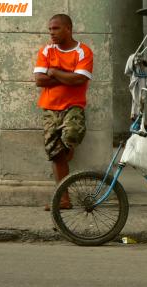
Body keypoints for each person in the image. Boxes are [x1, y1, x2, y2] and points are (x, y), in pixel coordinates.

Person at [33, 14, 93, 210]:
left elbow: (80, 80)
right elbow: (39, 80)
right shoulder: (46, 50)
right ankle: (64, 199)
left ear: (68, 29)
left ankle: (69, 148)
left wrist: (54, 72)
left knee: (72, 136)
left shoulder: (83, 51)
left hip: (73, 105)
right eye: (50, 29)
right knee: (55, 152)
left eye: (56, 28)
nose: (52, 33)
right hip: (50, 107)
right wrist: (68, 76)